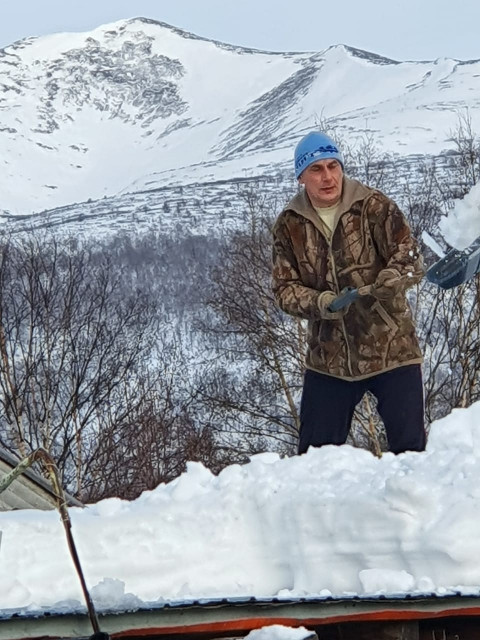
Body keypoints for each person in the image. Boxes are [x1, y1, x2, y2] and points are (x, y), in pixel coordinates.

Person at [271, 131, 426, 455]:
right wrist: (322, 303)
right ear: (301, 176)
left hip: (392, 349)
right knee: (314, 460)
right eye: (316, 169)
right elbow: (284, 290)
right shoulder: (289, 225)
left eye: (333, 166)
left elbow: (410, 256)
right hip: (329, 359)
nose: (327, 177)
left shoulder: (373, 206)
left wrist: (392, 277)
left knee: (412, 456)